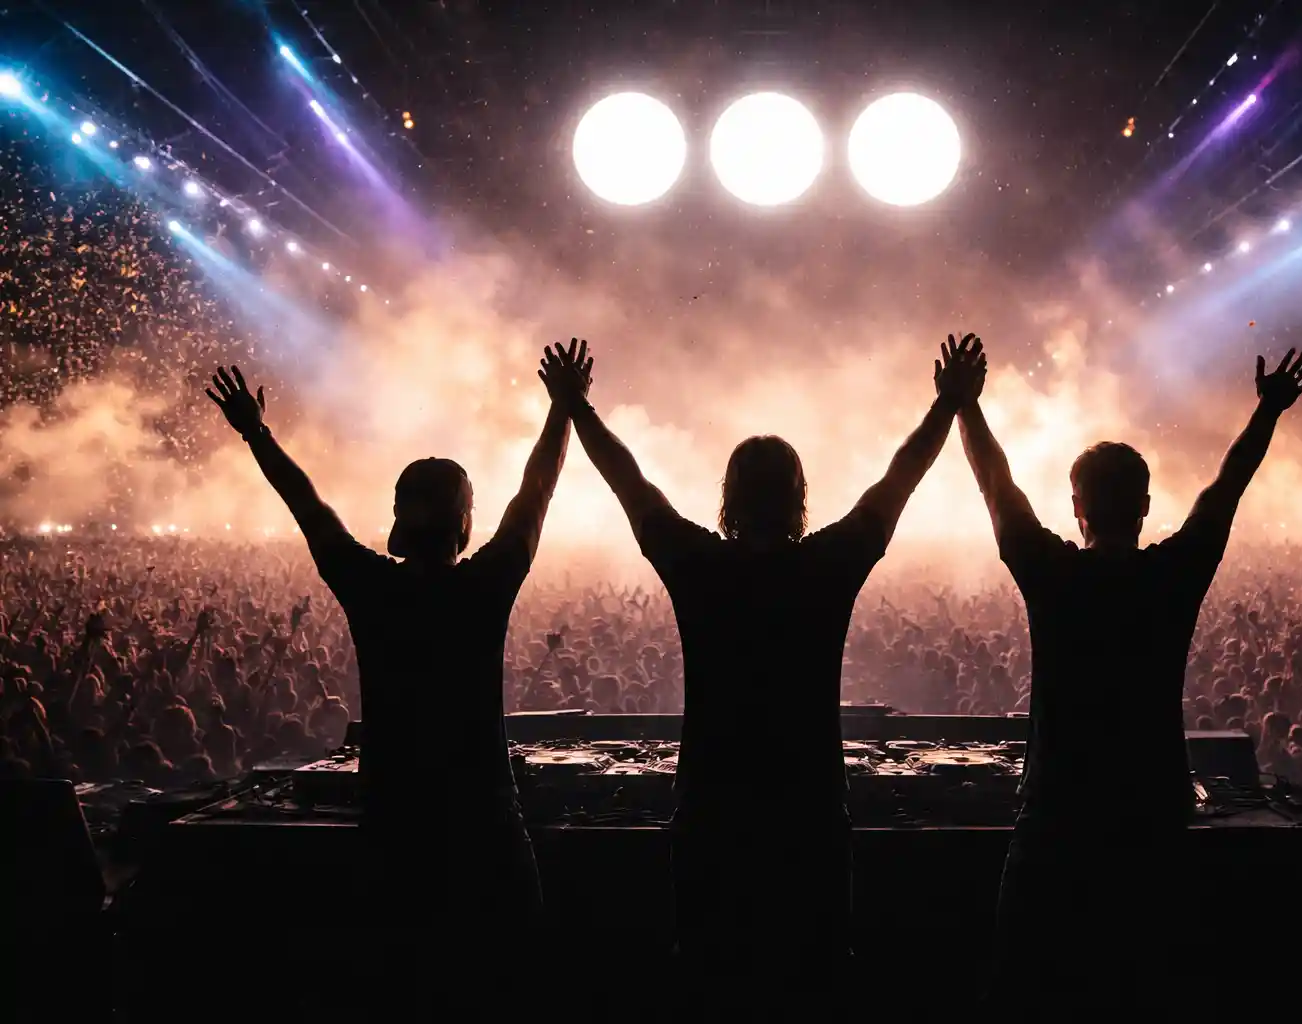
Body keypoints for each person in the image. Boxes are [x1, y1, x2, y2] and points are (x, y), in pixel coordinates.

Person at [539, 335, 987, 1014]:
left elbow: (633, 487)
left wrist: (577, 409)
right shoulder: (826, 567)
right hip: (807, 817)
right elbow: (895, 484)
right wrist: (948, 406)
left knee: (710, 979)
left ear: (728, 499)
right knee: (813, 980)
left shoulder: (699, 566)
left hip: (714, 816)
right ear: (800, 498)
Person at [205, 356, 584, 1017]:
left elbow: (309, 506)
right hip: (483, 828)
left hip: (394, 830)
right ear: (465, 521)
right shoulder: (483, 587)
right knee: (507, 986)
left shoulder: (369, 586)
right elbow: (535, 494)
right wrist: (563, 407)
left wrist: (256, 433)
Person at [958, 348, 1302, 1012]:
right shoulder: (1171, 578)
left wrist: (966, 404)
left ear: (1076, 506)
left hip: (1057, 820)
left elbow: (996, 487)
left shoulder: (1054, 576)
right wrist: (1267, 409)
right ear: (1146, 505)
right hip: (1151, 823)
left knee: (1030, 994)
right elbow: (1225, 490)